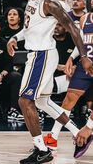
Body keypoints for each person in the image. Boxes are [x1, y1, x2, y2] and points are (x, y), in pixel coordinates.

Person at [7, 0, 93, 163]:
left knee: (24, 101)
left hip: (42, 55)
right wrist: (14, 37)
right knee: (42, 102)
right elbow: (28, 29)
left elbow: (72, 27)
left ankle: (41, 149)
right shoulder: (32, 1)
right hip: (36, 54)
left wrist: (85, 56)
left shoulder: (49, 3)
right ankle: (77, 131)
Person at [44, 11, 93, 158]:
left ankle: (89, 129)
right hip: (85, 64)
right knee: (69, 99)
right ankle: (53, 137)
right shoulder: (85, 18)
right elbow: (81, 43)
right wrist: (71, 57)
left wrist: (88, 127)